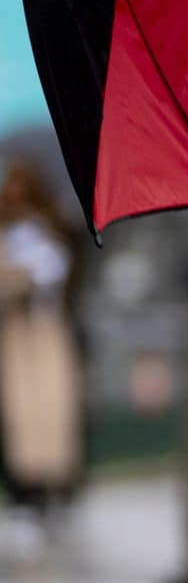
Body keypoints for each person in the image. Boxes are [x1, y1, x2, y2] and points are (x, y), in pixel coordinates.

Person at [0, 156, 83, 533]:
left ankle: (56, 488)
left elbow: (70, 279)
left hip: (49, 329)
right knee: (22, 414)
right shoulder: (7, 237)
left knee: (54, 412)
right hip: (18, 335)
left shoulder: (57, 232)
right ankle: (28, 491)